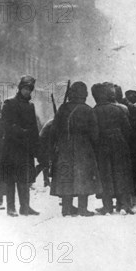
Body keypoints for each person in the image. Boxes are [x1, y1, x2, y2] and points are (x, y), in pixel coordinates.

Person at [50, 82, 102, 216]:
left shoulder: (63, 108)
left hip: (64, 146)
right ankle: (82, 209)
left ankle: (66, 208)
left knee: (66, 175)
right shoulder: (88, 110)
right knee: (83, 176)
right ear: (84, 94)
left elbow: (54, 129)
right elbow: (94, 133)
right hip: (83, 148)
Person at [92, 82, 135, 215]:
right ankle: (123, 205)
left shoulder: (94, 110)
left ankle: (107, 207)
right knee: (120, 173)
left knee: (105, 175)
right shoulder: (118, 109)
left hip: (102, 144)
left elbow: (93, 132)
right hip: (119, 143)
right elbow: (127, 129)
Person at [1, 75, 40, 216]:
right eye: (24, 88)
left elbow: (34, 128)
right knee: (11, 179)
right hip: (11, 147)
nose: (27, 92)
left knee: (24, 178)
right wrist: (20, 131)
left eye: (29, 89)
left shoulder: (30, 106)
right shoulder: (9, 103)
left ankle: (25, 207)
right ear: (20, 88)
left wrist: (36, 147)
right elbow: (5, 124)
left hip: (25, 148)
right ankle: (10, 208)